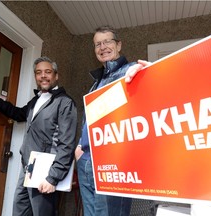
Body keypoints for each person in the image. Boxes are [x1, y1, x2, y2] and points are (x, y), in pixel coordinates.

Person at [0, 56, 77, 216]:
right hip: (28, 168)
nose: (43, 76)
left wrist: (53, 177)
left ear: (56, 75)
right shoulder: (35, 101)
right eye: (39, 73)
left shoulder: (65, 102)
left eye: (48, 72)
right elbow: (18, 114)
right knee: (20, 212)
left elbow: (66, 144)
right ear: (35, 77)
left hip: (46, 171)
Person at [75, 25, 150, 216]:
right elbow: (89, 120)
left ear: (119, 45)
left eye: (107, 41)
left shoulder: (129, 71)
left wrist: (148, 75)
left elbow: (150, 99)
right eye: (97, 44)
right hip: (86, 161)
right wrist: (79, 147)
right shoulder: (96, 83)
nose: (102, 47)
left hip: (113, 161)